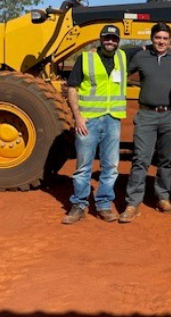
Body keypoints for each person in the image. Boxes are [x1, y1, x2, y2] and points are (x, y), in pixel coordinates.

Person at [119, 22, 171, 223]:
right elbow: (121, 57)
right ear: (152, 39)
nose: (161, 42)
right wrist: (138, 48)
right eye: (158, 38)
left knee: (166, 160)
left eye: (165, 39)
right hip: (146, 115)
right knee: (140, 159)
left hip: (170, 115)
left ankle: (163, 197)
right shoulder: (141, 56)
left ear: (170, 41)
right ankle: (132, 203)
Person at [62, 25, 128, 224]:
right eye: (107, 38)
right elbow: (72, 88)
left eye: (114, 39)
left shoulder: (123, 57)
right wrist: (77, 116)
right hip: (88, 120)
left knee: (110, 165)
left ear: (118, 41)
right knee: (83, 166)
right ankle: (79, 205)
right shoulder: (86, 58)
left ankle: (104, 204)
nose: (111, 42)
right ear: (100, 39)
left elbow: (150, 50)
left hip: (113, 119)